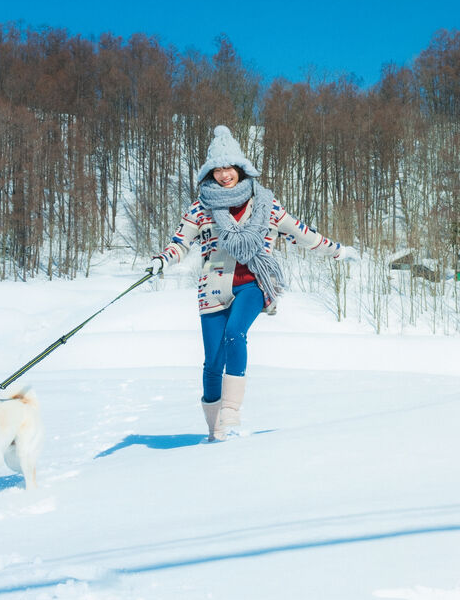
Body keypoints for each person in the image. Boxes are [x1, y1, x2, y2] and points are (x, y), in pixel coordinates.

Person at [149, 125, 359, 441]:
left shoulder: (265, 205)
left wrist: (338, 251)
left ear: (240, 168)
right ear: (210, 173)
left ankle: (231, 411)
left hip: (253, 283)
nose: (224, 175)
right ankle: (214, 429)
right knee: (212, 363)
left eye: (228, 168)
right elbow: (180, 243)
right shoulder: (201, 208)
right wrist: (162, 260)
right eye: (217, 169)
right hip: (213, 287)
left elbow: (302, 233)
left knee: (235, 334)